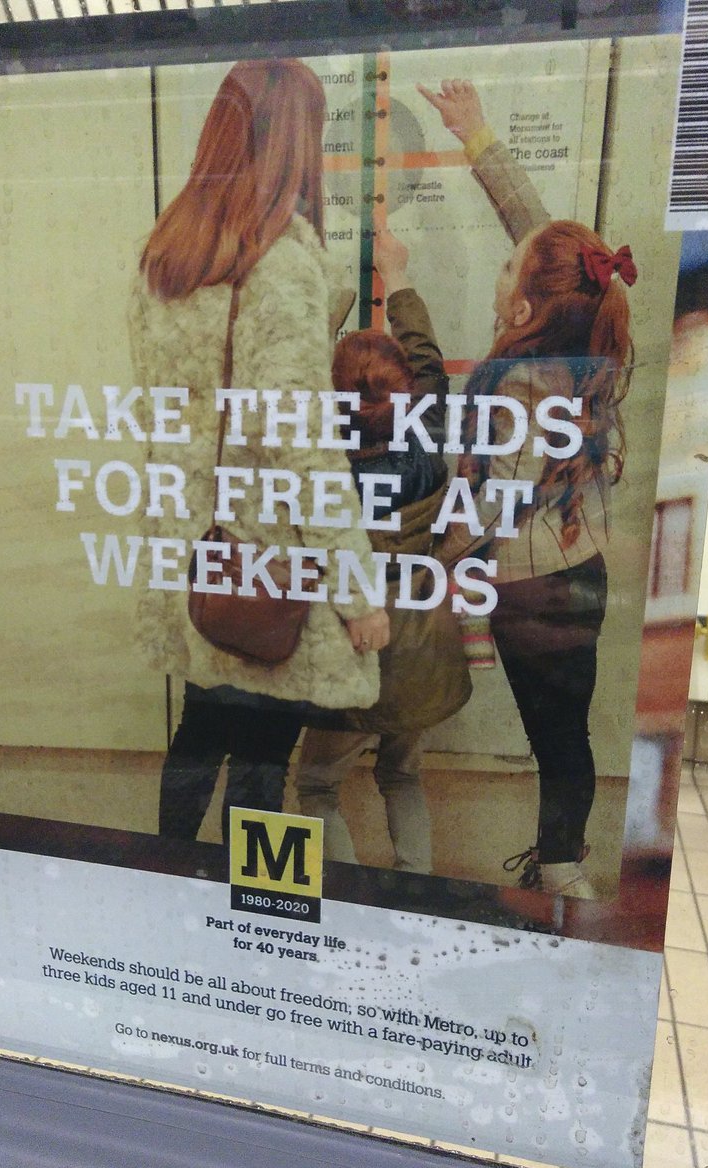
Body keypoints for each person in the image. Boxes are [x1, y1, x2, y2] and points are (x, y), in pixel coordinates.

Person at [128, 59, 389, 845]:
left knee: (199, 729)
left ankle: (170, 881)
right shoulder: (277, 264)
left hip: (197, 552)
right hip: (270, 560)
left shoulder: (167, 258)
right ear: (298, 142)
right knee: (263, 759)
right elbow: (300, 443)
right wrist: (357, 590)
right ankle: (253, 912)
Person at [411, 80, 637, 898]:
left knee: (553, 736)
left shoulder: (518, 385)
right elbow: (542, 235)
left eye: (509, 270)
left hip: (530, 587)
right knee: (569, 735)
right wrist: (476, 135)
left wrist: (430, 563)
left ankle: (563, 877)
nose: (503, 271)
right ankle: (563, 861)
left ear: (528, 301)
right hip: (584, 569)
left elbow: (494, 506)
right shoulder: (592, 337)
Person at [295, 232, 471, 873]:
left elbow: (295, 385)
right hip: (422, 649)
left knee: (317, 784)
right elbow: (426, 361)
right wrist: (396, 276)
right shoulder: (426, 436)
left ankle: (347, 899)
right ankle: (413, 885)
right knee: (401, 774)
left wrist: (328, 302)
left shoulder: (322, 461)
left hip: (356, 652)